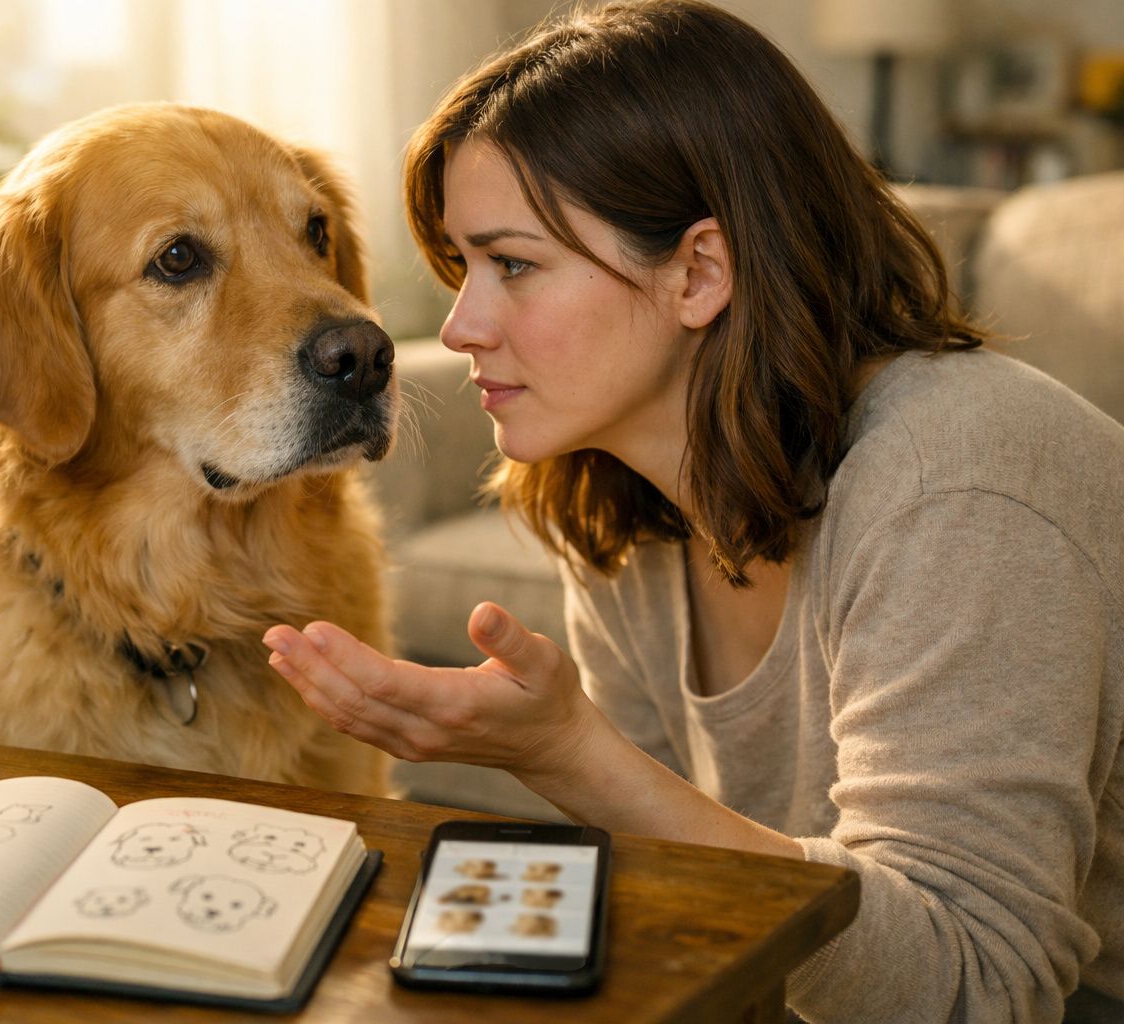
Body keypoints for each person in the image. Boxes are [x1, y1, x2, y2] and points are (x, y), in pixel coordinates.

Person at [259, 2, 1124, 1022]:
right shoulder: (612, 502)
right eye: (461, 268)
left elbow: (969, 987)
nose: (460, 326)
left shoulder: (960, 479)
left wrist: (570, 754)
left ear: (699, 272)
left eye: (515, 265)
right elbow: (699, 901)